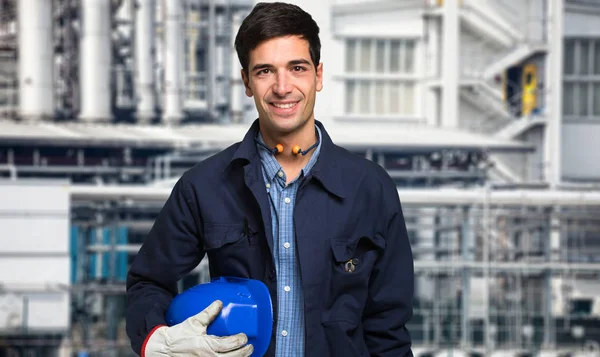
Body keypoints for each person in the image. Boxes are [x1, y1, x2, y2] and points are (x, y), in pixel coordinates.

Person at [125, 2, 414, 356]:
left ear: (318, 75)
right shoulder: (204, 186)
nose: (282, 87)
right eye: (264, 71)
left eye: (297, 68)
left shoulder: (370, 189)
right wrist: (155, 337)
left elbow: (388, 329)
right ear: (246, 81)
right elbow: (147, 281)